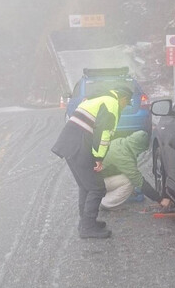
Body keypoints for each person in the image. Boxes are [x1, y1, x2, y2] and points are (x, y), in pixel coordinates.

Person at [51, 85, 133, 239]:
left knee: (86, 186)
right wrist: (99, 158)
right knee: (97, 188)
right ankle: (87, 227)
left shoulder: (97, 98)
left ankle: (86, 222)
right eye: (125, 103)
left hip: (69, 144)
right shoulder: (111, 103)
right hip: (79, 146)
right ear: (123, 99)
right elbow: (103, 134)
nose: (124, 107)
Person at [99, 130, 175, 211]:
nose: (141, 153)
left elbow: (119, 169)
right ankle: (105, 203)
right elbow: (138, 181)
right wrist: (160, 199)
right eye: (142, 150)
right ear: (139, 147)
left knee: (128, 177)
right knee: (130, 181)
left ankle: (100, 195)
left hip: (92, 177)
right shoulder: (124, 156)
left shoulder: (120, 143)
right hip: (94, 182)